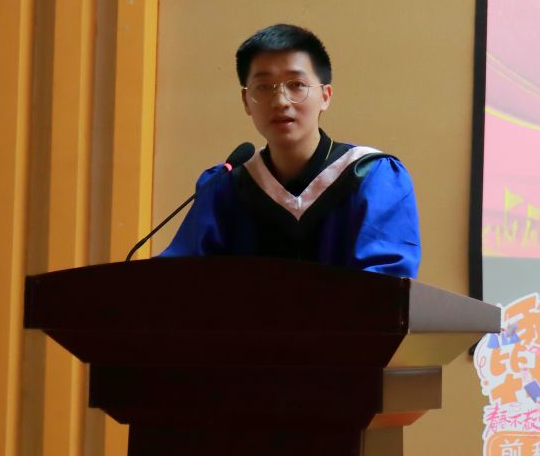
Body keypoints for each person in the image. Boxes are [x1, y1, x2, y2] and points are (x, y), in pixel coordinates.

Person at [160, 23, 421, 277]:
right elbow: (179, 279)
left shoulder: (371, 176)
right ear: (246, 101)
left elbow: (385, 287)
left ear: (325, 96)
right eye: (264, 87)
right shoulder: (224, 187)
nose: (280, 101)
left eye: (296, 85)